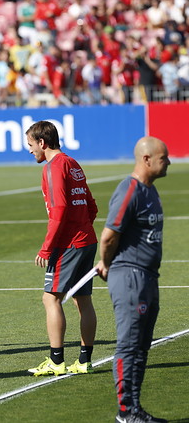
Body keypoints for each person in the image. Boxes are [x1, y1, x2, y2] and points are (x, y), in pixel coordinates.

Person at [96, 137, 170, 423]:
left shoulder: (150, 191)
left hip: (149, 277)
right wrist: (106, 262)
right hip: (130, 276)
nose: (169, 163)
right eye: (164, 158)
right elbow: (109, 234)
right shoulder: (130, 189)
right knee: (129, 345)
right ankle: (125, 412)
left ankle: (134, 408)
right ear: (147, 159)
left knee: (141, 346)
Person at [25, 120, 98, 376]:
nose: (30, 150)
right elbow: (92, 207)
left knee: (50, 298)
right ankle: (84, 361)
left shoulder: (53, 167)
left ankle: (56, 361)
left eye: (31, 145)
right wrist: (82, 228)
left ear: (42, 143)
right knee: (83, 300)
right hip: (87, 240)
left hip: (68, 244)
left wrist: (47, 249)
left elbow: (59, 210)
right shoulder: (72, 163)